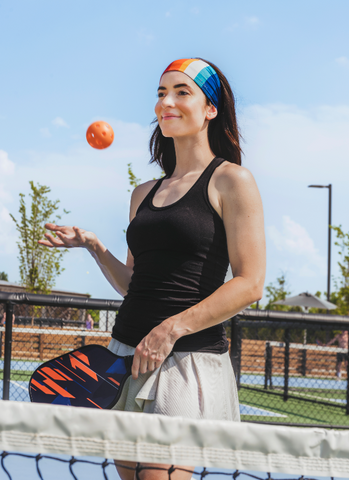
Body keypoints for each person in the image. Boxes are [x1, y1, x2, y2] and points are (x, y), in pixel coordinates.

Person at [39, 58, 266, 480]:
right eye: (161, 93)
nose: (167, 102)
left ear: (210, 109)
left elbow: (250, 284)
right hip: (125, 357)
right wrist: (94, 246)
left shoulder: (232, 180)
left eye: (182, 91)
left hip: (184, 361)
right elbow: (134, 284)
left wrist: (171, 328)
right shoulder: (143, 192)